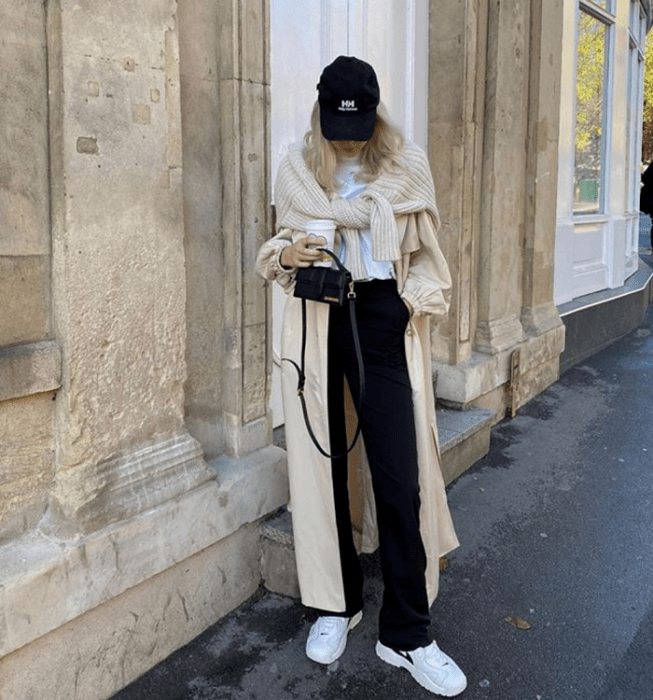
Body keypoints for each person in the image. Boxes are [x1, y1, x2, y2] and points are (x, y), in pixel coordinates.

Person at [256, 56, 466, 697]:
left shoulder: (407, 169)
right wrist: (288, 253)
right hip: (320, 325)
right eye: (338, 127)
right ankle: (336, 603)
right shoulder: (296, 171)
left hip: (381, 327)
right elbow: (273, 256)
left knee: (399, 481)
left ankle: (407, 632)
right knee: (323, 476)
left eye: (359, 126)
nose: (348, 138)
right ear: (321, 116)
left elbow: (430, 259)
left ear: (376, 118)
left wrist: (410, 301)